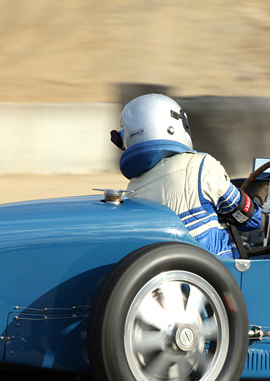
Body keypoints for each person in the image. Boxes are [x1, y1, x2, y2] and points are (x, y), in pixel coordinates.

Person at [110, 93, 262, 258]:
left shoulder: (133, 189)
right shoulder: (202, 166)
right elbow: (251, 220)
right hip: (217, 271)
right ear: (174, 125)